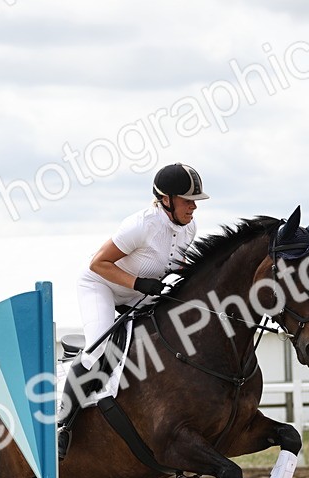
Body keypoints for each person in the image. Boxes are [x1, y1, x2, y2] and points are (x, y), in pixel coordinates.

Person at [57, 163, 210, 458]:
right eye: (188, 200)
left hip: (141, 294)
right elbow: (98, 264)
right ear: (166, 199)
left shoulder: (189, 228)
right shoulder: (141, 225)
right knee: (98, 350)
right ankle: (62, 425)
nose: (194, 206)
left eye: (195, 200)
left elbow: (176, 265)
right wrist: (139, 283)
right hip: (102, 286)